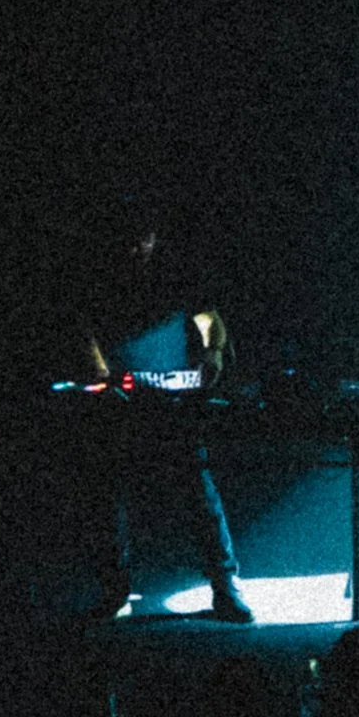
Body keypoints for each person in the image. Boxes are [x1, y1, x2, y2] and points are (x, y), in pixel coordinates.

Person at [89, 215, 254, 624]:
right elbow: (85, 335)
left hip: (173, 405)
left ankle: (224, 584)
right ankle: (114, 589)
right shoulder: (98, 283)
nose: (136, 249)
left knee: (197, 490)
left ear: (154, 238)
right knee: (108, 496)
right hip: (121, 404)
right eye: (127, 241)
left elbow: (209, 319)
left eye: (142, 239)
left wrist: (213, 353)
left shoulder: (174, 277)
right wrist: (102, 375)